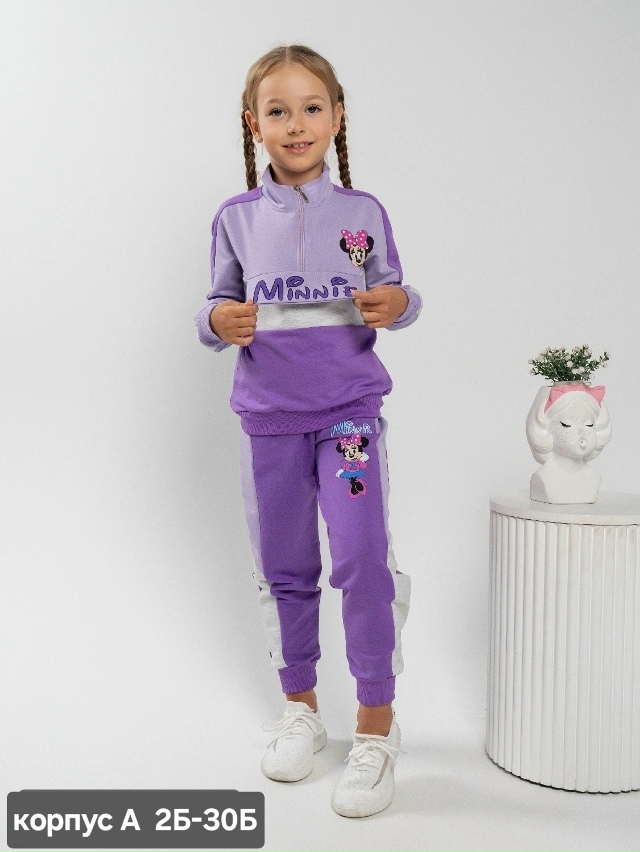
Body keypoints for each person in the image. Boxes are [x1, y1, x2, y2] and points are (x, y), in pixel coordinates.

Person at [195, 44, 422, 818]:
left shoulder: (363, 214)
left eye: (311, 108)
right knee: (285, 566)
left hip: (349, 418)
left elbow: (394, 289)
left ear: (337, 116)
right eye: (279, 110)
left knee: (361, 558)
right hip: (268, 422)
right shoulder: (235, 219)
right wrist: (218, 321)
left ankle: (376, 725)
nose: (296, 124)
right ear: (253, 124)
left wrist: (399, 303)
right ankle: (301, 710)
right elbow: (216, 306)